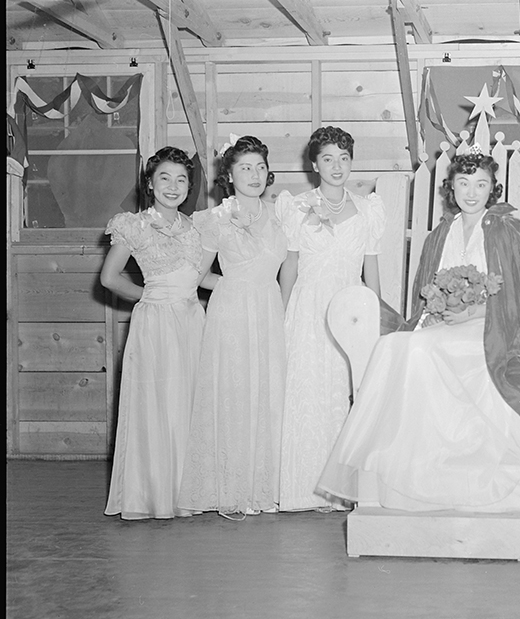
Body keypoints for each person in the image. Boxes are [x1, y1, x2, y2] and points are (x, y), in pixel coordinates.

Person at [315, 150, 520, 521]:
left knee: (420, 350)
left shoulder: (509, 230)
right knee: (393, 345)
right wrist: (436, 311)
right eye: (464, 183)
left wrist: (474, 310)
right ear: (451, 187)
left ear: (492, 188)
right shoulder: (441, 234)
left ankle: (451, 450)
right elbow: (427, 288)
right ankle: (400, 448)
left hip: (492, 326)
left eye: (481, 184)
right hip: (444, 322)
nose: (472, 192)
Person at [178, 135, 287, 518]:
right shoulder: (214, 219)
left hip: (270, 308)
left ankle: (265, 486)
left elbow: (287, 269)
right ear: (229, 174)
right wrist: (230, 285)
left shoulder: (281, 213)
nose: (254, 175)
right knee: (234, 391)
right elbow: (197, 275)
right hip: (231, 311)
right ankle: (230, 485)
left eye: (260, 167)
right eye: (245, 167)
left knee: (268, 391)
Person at [276, 126, 385, 511]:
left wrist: (376, 316)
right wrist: (281, 313)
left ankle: (341, 489)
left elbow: (371, 269)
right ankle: (301, 489)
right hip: (308, 308)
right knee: (307, 392)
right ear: (314, 164)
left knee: (343, 392)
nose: (337, 166)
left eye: (344, 158)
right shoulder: (296, 206)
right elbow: (289, 266)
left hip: (351, 309)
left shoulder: (369, 209)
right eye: (328, 158)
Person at [100, 147, 212, 519]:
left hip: (193, 320)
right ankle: (156, 494)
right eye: (164, 177)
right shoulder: (133, 225)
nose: (173, 186)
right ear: (150, 183)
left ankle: (190, 490)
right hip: (156, 324)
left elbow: (198, 277)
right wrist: (148, 296)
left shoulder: (196, 227)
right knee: (158, 406)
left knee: (190, 403)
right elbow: (108, 278)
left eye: (181, 179)